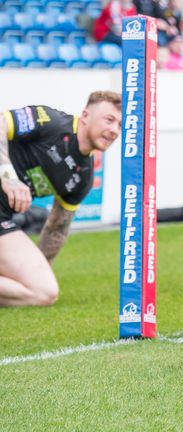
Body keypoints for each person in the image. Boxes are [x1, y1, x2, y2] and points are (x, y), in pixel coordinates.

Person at [0, 91, 122, 307]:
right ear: (85, 116)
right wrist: (7, 176)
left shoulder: (84, 176)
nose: (114, 130)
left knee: (44, 292)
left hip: (2, 217)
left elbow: (57, 228)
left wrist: (37, 268)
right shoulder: (51, 121)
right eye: (109, 120)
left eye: (120, 125)